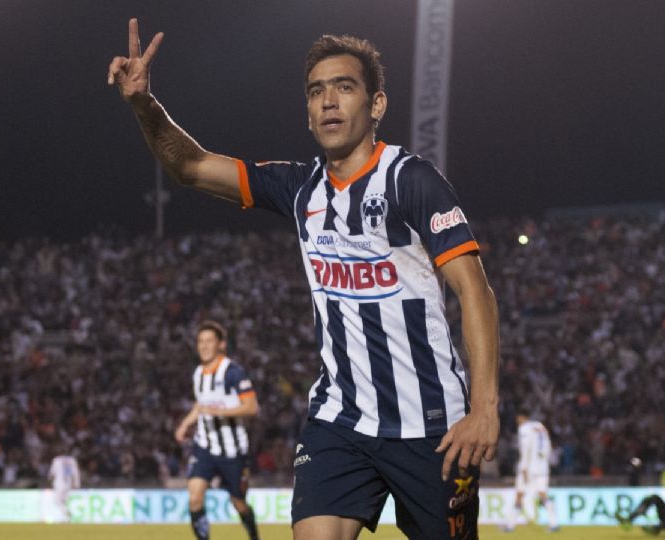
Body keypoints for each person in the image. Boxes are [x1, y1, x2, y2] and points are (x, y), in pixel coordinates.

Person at [109, 19, 500, 540]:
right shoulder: (299, 188)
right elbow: (193, 167)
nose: (329, 101)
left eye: (344, 87)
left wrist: (485, 407)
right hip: (339, 419)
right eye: (317, 92)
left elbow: (474, 289)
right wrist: (144, 104)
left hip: (429, 424)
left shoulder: (412, 181)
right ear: (308, 111)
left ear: (376, 104)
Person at [174, 321, 260, 540]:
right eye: (200, 341)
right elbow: (200, 404)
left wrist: (218, 412)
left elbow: (251, 407)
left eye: (209, 341)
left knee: (238, 502)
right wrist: (186, 423)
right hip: (204, 446)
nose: (203, 346)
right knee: (194, 497)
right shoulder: (198, 374)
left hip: (233, 451)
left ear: (221, 345)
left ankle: (254, 536)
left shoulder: (233, 373)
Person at [502, 413, 558, 532]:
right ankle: (554, 524)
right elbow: (548, 447)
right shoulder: (541, 427)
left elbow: (525, 448)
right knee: (543, 494)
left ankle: (509, 525)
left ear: (521, 417)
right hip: (542, 467)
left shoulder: (524, 428)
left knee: (519, 494)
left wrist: (524, 467)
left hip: (529, 467)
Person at [48, 446, 80, 523]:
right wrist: (76, 483)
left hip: (59, 483)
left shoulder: (56, 460)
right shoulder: (72, 460)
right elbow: (76, 473)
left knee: (57, 501)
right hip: (68, 483)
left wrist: (49, 480)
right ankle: (65, 518)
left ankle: (65, 514)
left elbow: (52, 473)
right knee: (64, 501)